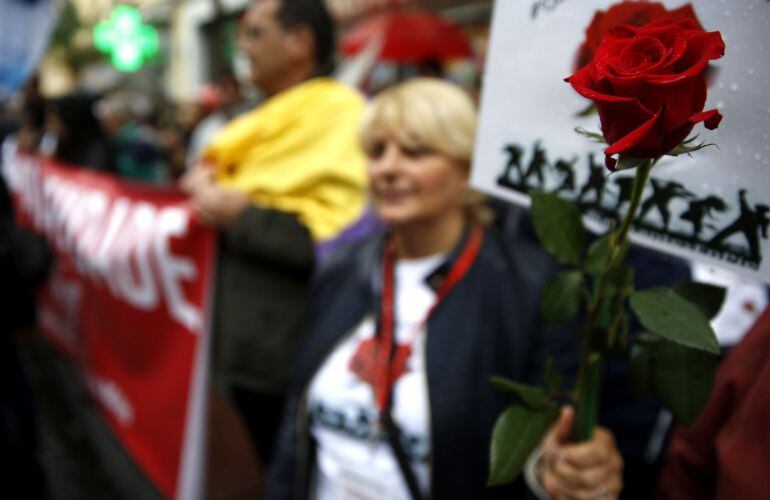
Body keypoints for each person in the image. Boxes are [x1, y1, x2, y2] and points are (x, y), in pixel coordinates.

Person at [266, 78, 622, 500]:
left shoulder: (530, 287)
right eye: (377, 151)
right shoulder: (342, 269)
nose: (388, 167)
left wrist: (565, 472)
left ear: (467, 166)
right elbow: (296, 424)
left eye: (415, 151)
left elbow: (542, 448)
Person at [179, 0, 368, 467]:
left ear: (300, 42)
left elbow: (340, 240)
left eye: (255, 33)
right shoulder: (250, 126)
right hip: (243, 348)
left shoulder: (343, 117)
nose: (242, 48)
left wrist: (241, 215)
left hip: (294, 353)